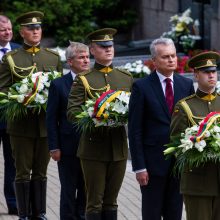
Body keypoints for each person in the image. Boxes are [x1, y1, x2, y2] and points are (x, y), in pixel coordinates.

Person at [0, 11, 62, 220]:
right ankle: (24, 214)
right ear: (22, 32)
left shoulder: (52, 58)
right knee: (22, 171)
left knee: (41, 171)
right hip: (21, 126)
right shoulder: (11, 58)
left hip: (44, 125)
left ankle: (40, 212)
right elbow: (4, 90)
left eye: (38, 28)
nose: (35, 31)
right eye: (30, 28)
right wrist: (23, 97)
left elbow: (59, 92)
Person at [67, 28, 133, 220]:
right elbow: (72, 112)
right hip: (93, 149)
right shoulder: (84, 79)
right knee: (94, 201)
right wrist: (94, 116)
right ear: (92, 50)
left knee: (111, 201)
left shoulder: (125, 77)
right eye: (103, 47)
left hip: (118, 148)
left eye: (110, 46)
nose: (108, 49)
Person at [128, 38, 195, 220]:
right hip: (152, 165)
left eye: (173, 56)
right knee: (152, 213)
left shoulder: (185, 85)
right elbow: (135, 130)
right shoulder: (141, 87)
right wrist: (139, 166)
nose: (171, 60)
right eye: (166, 57)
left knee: (175, 213)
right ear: (154, 61)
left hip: (178, 165)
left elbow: (191, 125)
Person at [170, 51, 220, 220]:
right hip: (198, 183)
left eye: (213, 71)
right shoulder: (184, 107)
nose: (211, 75)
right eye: (206, 72)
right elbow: (176, 145)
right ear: (196, 75)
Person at [46, 42, 90, 220]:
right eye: (81, 57)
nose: (86, 60)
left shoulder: (95, 82)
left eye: (87, 57)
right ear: (70, 62)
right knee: (69, 190)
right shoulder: (58, 85)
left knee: (87, 189)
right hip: (68, 148)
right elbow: (51, 118)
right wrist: (54, 147)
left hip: (91, 147)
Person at [0, 14, 20, 215]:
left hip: (13, 119)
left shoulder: (19, 51)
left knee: (13, 162)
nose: (7, 32)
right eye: (2, 30)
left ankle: (14, 204)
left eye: (9, 29)